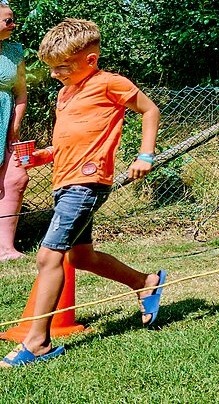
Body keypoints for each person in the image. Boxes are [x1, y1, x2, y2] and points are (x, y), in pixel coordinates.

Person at [2, 19, 165, 367]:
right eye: (52, 68)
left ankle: (38, 342)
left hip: (86, 183)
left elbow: (150, 110)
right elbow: (72, 138)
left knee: (49, 256)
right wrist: (44, 155)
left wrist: (145, 154)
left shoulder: (109, 83)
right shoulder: (65, 93)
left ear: (89, 61)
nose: (57, 74)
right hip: (64, 180)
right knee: (80, 257)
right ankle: (146, 282)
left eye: (63, 67)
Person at [0, 3, 29, 260]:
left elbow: (20, 92)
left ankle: (6, 248)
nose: (13, 25)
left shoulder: (14, 51)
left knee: (17, 178)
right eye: (7, 21)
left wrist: (15, 125)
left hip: (6, 121)